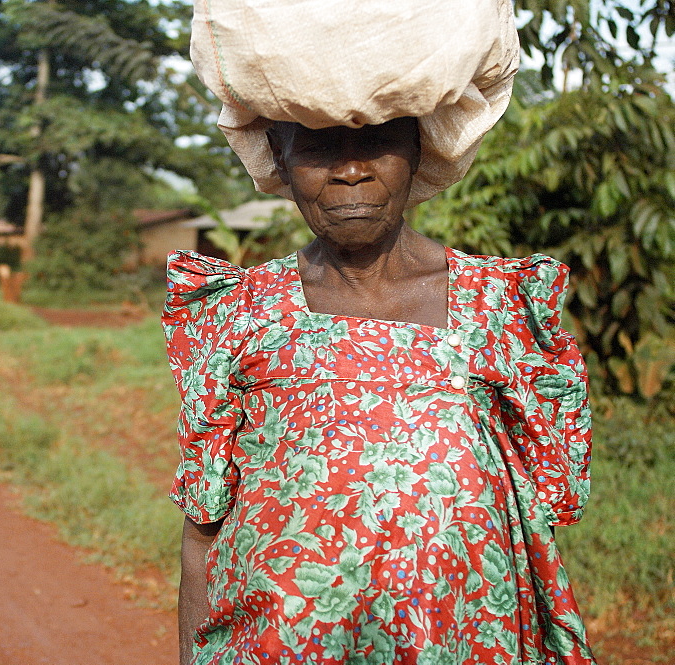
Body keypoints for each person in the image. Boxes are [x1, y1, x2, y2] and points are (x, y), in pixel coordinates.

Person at [163, 2, 596, 663]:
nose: (350, 170)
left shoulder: (500, 311)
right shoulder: (238, 314)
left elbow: (544, 515)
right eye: (315, 146)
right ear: (278, 157)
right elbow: (202, 530)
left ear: (419, 147)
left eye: (379, 141)